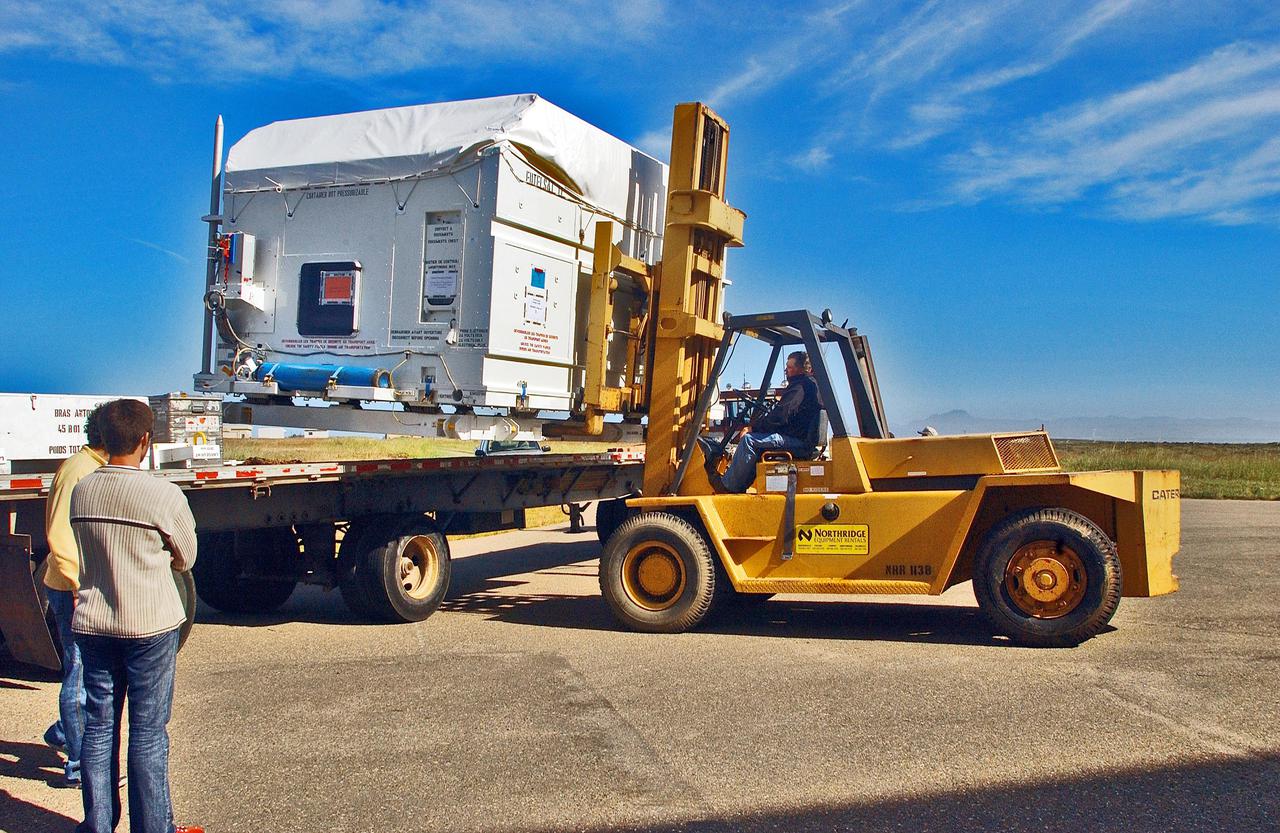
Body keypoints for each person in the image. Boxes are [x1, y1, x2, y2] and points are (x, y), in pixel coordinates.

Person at [70, 399, 202, 833]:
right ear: (146, 440)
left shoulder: (82, 490)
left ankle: (98, 823)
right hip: (149, 624)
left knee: (99, 727)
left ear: (104, 438)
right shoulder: (163, 495)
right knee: (147, 733)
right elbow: (186, 557)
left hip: (94, 622)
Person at [42, 405, 108, 787]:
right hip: (72, 588)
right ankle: (80, 766)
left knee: (87, 669)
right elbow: (60, 535)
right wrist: (77, 586)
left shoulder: (90, 467)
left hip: (78, 585)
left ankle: (66, 731)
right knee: (79, 671)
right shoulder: (79, 472)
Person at [718, 350, 822, 493]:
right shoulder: (809, 385)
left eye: (789, 367)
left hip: (797, 440)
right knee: (759, 443)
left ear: (800, 369)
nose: (786, 370)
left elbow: (780, 416)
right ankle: (741, 486)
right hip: (800, 438)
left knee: (749, 440)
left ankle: (728, 487)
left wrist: (753, 428)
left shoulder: (800, 387)